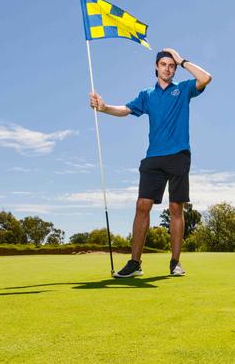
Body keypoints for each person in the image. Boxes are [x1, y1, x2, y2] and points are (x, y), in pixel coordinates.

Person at [89, 48, 212, 278]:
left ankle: (175, 262)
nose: (168, 68)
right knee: (142, 205)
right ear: (156, 67)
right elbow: (126, 110)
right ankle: (135, 263)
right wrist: (104, 108)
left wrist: (182, 60)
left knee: (176, 207)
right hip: (154, 157)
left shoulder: (183, 89)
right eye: (164, 64)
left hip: (179, 155)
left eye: (171, 65)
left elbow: (205, 78)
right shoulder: (146, 95)